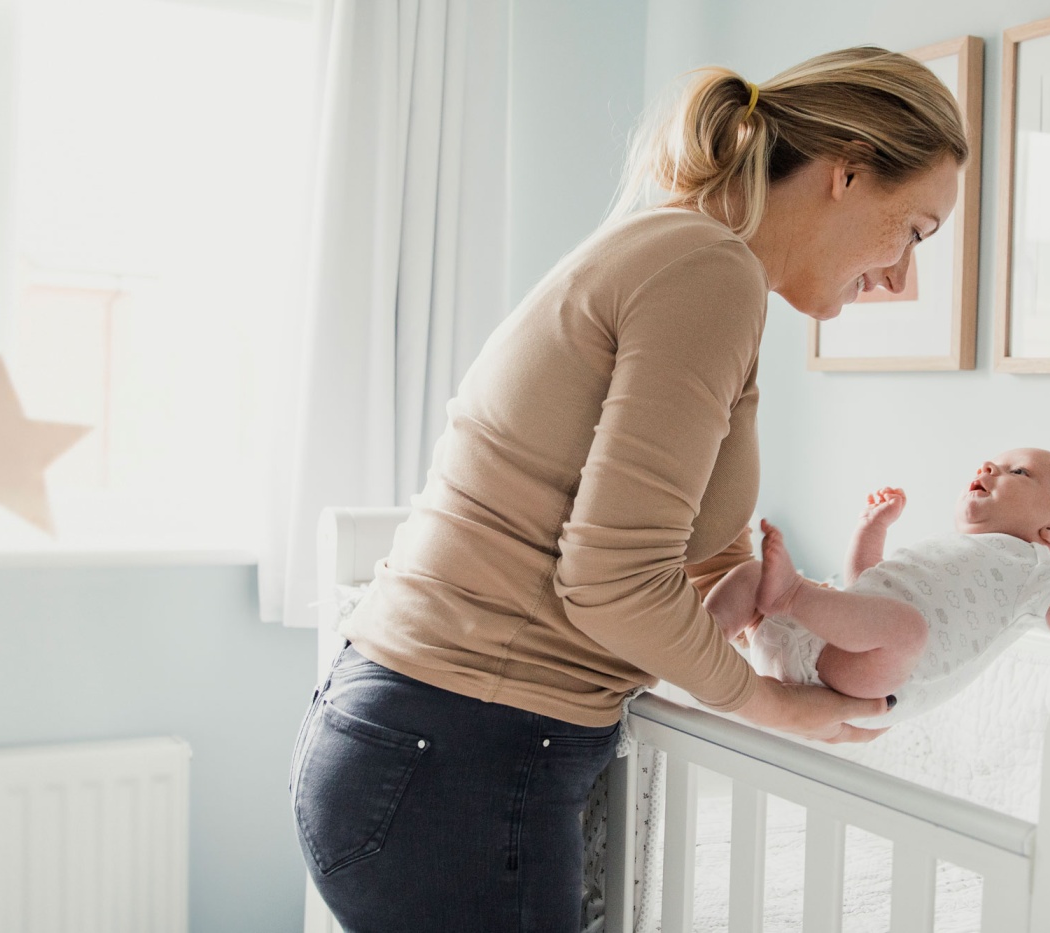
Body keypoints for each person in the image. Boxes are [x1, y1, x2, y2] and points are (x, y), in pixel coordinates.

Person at [289, 46, 969, 933]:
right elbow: (610, 576)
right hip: (462, 753)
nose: (902, 279)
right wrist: (775, 707)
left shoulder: (697, 262)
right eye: (914, 231)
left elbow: (657, 545)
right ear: (846, 172)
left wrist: (779, 607)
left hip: (423, 743)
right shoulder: (706, 271)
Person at [707, 448, 1050, 726]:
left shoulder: (1037, 571)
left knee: (906, 629)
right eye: (990, 463)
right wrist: (874, 528)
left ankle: (788, 595)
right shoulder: (946, 550)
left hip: (865, 682)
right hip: (820, 641)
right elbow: (863, 587)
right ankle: (699, 637)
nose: (987, 468)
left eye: (1016, 471)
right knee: (752, 575)